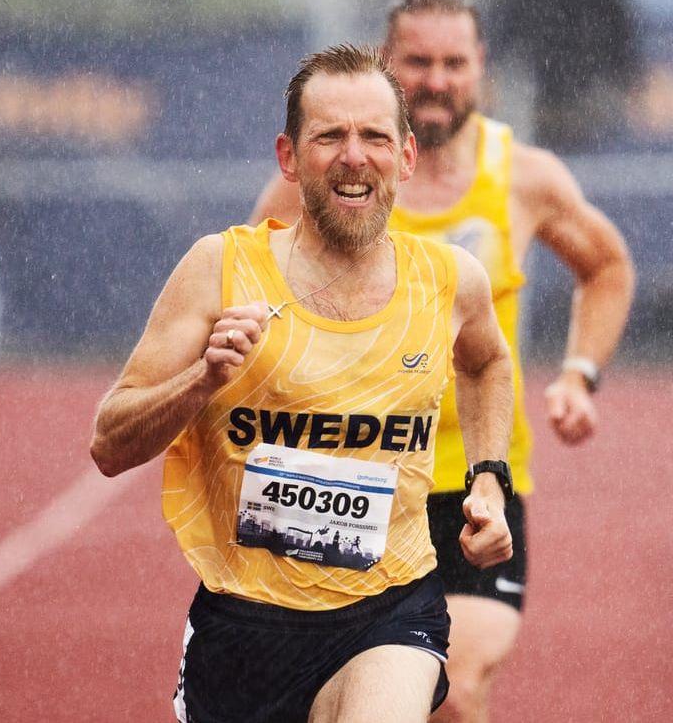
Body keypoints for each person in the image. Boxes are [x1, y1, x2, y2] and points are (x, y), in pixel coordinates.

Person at [91, 43, 517, 723]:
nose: (355, 157)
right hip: (245, 630)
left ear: (405, 156)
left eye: (375, 136)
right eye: (331, 137)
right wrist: (202, 381)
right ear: (289, 157)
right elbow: (110, 444)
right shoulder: (220, 269)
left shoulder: (449, 280)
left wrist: (489, 479)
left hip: (391, 610)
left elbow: (488, 362)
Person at [250, 0, 635, 722]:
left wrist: (580, 374)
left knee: (451, 690)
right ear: (385, 65)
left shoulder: (522, 177)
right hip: (348, 481)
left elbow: (607, 266)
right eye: (417, 61)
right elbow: (248, 287)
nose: (435, 78)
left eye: (453, 62)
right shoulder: (332, 171)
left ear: (480, 67)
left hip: (476, 483)